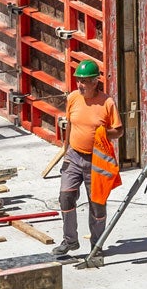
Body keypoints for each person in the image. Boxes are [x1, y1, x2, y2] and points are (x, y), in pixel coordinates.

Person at [53, 60, 123, 256]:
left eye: (84, 81)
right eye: (78, 81)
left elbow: (119, 130)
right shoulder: (73, 98)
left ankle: (96, 245)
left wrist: (103, 134)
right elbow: (70, 125)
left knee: (97, 204)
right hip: (74, 156)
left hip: (96, 160)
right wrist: (66, 149)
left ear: (95, 82)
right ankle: (70, 241)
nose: (80, 85)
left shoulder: (107, 103)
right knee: (66, 197)